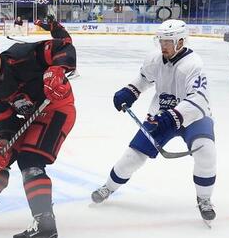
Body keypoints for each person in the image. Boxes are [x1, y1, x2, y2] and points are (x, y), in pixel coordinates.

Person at [91, 20, 217, 224]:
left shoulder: (194, 64)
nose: (163, 45)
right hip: (160, 115)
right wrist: (129, 92)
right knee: (132, 157)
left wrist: (173, 116)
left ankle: (204, 199)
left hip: (194, 117)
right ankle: (108, 187)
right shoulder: (155, 59)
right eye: (161, 40)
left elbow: (199, 99)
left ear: (181, 41)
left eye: (168, 41)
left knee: (206, 151)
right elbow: (142, 79)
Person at [0, 34, 77, 238]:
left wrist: (58, 70)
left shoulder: (21, 57)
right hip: (33, 117)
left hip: (58, 108)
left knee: (30, 159)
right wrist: (2, 144)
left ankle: (45, 225)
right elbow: (6, 124)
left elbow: (64, 47)